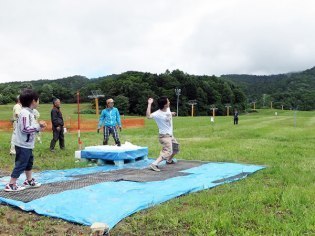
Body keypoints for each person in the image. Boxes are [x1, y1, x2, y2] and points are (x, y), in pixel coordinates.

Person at [4, 89, 47, 192]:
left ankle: (28, 180)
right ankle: (11, 184)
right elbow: (25, 129)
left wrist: (39, 127)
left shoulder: (30, 113)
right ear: (33, 101)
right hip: (22, 144)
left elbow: (31, 127)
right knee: (21, 163)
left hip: (27, 144)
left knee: (28, 162)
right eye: (38, 100)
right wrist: (38, 127)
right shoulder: (24, 113)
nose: (38, 102)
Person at [146, 96, 179, 172]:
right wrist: (149, 104)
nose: (169, 102)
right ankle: (154, 164)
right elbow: (148, 116)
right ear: (165, 104)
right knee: (168, 151)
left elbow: (167, 114)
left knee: (176, 147)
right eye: (168, 101)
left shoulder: (167, 109)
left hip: (170, 135)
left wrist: (171, 113)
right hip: (164, 136)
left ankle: (169, 161)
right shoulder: (157, 114)